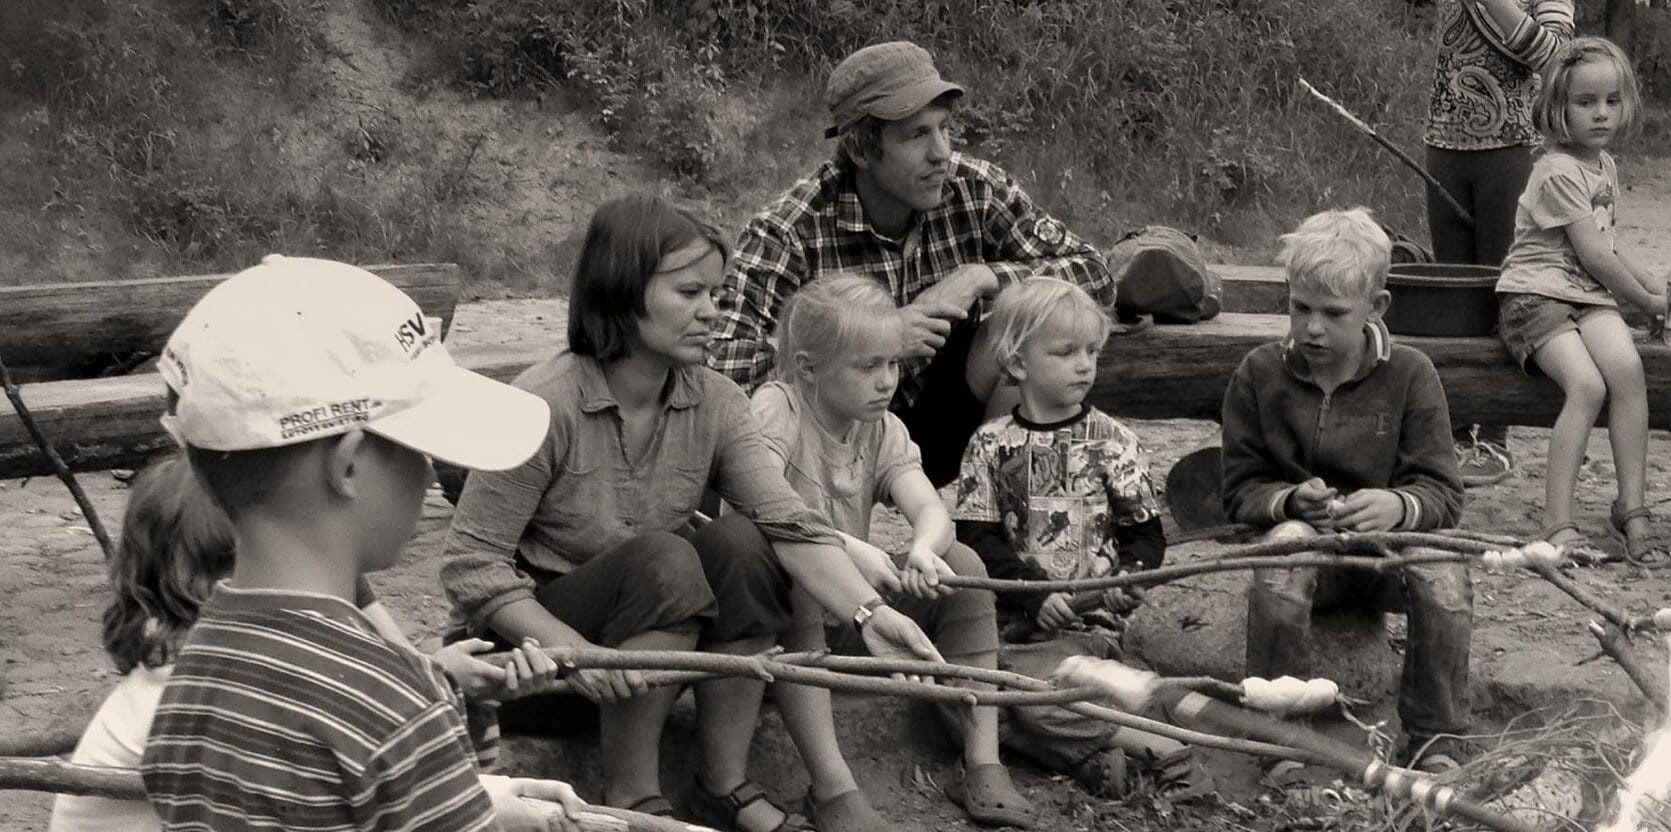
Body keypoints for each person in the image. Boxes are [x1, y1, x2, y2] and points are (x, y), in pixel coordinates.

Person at [441, 193, 943, 832]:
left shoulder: (717, 402)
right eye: (689, 292)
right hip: (534, 674)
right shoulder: (544, 403)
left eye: (715, 292)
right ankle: (633, 798)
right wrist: (575, 652)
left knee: (741, 542)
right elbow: (471, 565)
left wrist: (870, 614)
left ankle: (722, 784)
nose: (712, 311)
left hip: (656, 659)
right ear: (622, 292)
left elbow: (787, 520)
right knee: (667, 556)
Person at [138, 255, 586, 830]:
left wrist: (479, 804)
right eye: (415, 449)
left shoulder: (193, 672)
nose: (427, 476)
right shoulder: (394, 702)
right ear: (348, 466)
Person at [53, 452, 557, 832]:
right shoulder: (203, 685)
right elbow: (373, 757)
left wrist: (498, 784)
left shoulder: (200, 663)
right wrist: (494, 793)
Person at [710, 40, 1113, 489]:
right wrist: (874, 339)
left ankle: (1006, 519)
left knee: (1023, 323)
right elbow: (723, 367)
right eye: (917, 135)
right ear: (862, 151)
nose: (941, 152)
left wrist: (983, 277)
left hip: (946, 418)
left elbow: (1094, 272)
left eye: (943, 129)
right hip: (831, 440)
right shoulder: (790, 230)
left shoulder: (973, 189)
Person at [750, 275, 1031, 830]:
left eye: (893, 365)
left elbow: (931, 510)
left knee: (964, 568)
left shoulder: (881, 427)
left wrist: (925, 551)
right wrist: (851, 550)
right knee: (800, 581)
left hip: (860, 616)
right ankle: (833, 788)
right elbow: (758, 509)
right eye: (867, 367)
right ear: (808, 367)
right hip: (787, 619)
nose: (886, 382)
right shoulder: (776, 409)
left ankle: (982, 758)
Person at [1221, 209, 1471, 773]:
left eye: (1333, 314)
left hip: (1385, 560)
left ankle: (1435, 739)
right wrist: (1288, 501)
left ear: (1375, 308)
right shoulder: (1259, 374)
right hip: (1312, 553)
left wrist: (1400, 506)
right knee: (1285, 546)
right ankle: (1280, 739)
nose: (1312, 328)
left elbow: (1444, 494)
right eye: (1300, 308)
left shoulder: (1410, 374)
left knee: (1444, 571)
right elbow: (1238, 490)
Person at [952, 278, 1213, 803]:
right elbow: (977, 538)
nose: (1084, 365)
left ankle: (1164, 750)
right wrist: (1032, 593)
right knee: (954, 696)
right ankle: (1089, 759)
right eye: (1066, 352)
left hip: (1085, 629)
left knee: (1029, 698)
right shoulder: (989, 444)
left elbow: (1144, 535)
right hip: (1005, 626)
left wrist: (1126, 579)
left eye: (1092, 351)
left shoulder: (1113, 442)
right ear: (1018, 363)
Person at [1493, 37, 1666, 564]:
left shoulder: (1603, 166)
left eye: (1612, 101)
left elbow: (1609, 245)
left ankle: (1632, 509)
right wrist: (1646, 303)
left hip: (1585, 296)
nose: (1601, 114)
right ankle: (1557, 523)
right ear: (1558, 109)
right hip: (1535, 297)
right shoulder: (1557, 170)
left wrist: (1659, 287)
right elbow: (1593, 254)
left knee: (1628, 370)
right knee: (1587, 386)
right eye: (1586, 102)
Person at [1423, 0, 1575, 487]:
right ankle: (1453, 429)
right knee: (1450, 297)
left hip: (1513, 145)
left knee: (1502, 291)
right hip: (1443, 142)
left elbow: (1556, 58)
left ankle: (1493, 435)